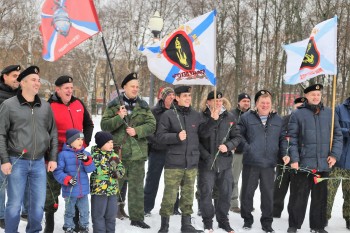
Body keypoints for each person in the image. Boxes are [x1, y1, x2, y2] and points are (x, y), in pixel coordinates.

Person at [0, 65, 58, 233]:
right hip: (16, 161)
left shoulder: (45, 107)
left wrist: (52, 158)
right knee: (14, 205)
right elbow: (1, 134)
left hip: (39, 163)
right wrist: (4, 160)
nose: (37, 83)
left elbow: (52, 133)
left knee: (38, 206)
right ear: (22, 83)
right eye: (33, 80)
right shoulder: (9, 106)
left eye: (39, 80)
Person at [156, 86, 219, 233]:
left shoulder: (196, 115)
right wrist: (176, 137)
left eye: (189, 96)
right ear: (177, 98)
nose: (188, 98)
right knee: (169, 196)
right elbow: (160, 136)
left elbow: (203, 133)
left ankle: (186, 225)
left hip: (191, 163)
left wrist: (212, 121)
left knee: (188, 195)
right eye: (185, 95)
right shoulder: (169, 115)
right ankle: (164, 226)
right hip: (174, 164)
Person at [101, 72, 156, 229]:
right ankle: (108, 215)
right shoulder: (113, 105)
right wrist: (118, 117)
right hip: (117, 154)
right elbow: (104, 126)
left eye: (137, 86)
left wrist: (137, 131)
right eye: (132, 86)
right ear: (124, 87)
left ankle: (137, 217)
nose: (135, 89)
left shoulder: (144, 106)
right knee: (113, 186)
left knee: (137, 188)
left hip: (138, 155)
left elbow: (152, 125)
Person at [286, 84, 343, 233]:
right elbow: (291, 138)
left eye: (318, 94)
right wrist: (294, 159)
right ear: (307, 97)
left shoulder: (330, 114)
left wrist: (334, 155)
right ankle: (294, 225)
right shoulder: (298, 114)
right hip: (303, 164)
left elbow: (338, 135)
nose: (316, 97)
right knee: (299, 197)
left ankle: (317, 226)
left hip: (323, 164)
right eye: (313, 94)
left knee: (320, 198)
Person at [45, 75, 94, 233]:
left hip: (75, 154)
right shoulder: (49, 106)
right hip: (56, 153)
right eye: (66, 88)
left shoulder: (78, 103)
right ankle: (50, 223)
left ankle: (77, 222)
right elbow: (44, 131)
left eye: (71, 88)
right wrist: (49, 155)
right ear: (57, 90)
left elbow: (88, 124)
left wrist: (83, 143)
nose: (70, 91)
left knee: (77, 187)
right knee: (51, 191)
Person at [239, 90, 284, 233]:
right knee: (247, 193)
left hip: (269, 163)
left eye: (268, 103)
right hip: (251, 162)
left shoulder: (278, 120)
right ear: (256, 104)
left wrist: (284, 154)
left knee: (268, 195)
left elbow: (283, 139)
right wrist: (248, 148)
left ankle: (267, 222)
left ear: (271, 104)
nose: (265, 105)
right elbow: (238, 135)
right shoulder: (246, 117)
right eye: (262, 103)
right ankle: (247, 219)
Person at [198, 91, 241, 233]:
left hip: (225, 163)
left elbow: (237, 137)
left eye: (220, 100)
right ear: (208, 102)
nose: (218, 103)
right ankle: (208, 222)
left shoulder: (230, 116)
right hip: (207, 163)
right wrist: (213, 120)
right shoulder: (201, 117)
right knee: (205, 193)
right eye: (215, 100)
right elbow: (199, 138)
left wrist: (227, 146)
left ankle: (223, 221)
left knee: (226, 193)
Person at [144, 87, 181, 216]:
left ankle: (174, 207)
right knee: (152, 180)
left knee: (173, 181)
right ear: (163, 97)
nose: (172, 97)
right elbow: (148, 131)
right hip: (157, 150)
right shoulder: (154, 111)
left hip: (173, 151)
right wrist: (157, 141)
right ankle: (146, 208)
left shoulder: (177, 111)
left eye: (173, 95)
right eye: (169, 95)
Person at [53, 129, 96, 233]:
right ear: (70, 141)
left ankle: (84, 227)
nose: (81, 141)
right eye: (77, 139)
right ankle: (68, 226)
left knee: (85, 211)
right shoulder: (63, 155)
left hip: (83, 191)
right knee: (70, 211)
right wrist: (67, 179)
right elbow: (57, 172)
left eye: (82, 139)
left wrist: (86, 160)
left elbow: (91, 169)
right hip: (70, 191)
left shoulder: (85, 153)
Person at [273, 97, 306, 218]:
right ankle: (275, 211)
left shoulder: (307, 120)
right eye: (298, 106)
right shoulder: (284, 120)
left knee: (296, 189)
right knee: (280, 186)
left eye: (302, 106)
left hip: (300, 160)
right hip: (284, 159)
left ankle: (293, 213)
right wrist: (283, 154)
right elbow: (279, 138)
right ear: (293, 107)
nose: (299, 109)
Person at [90, 131, 125, 233]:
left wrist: (117, 173)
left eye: (112, 142)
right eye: (108, 142)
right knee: (98, 215)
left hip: (112, 191)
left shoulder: (113, 156)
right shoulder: (95, 156)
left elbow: (121, 169)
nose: (111, 144)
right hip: (99, 191)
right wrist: (111, 170)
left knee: (111, 216)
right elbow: (98, 170)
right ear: (101, 144)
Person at [0, 64, 21, 229]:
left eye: (19, 76)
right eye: (14, 75)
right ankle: (1, 215)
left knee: (17, 183)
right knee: (1, 184)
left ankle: (15, 213)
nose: (17, 79)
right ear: (4, 76)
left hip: (17, 147)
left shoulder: (22, 95)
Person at [327, 95, 350, 230]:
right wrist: (347, 132)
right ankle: (324, 217)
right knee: (329, 191)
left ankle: (348, 218)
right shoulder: (339, 109)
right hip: (337, 159)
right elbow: (332, 130)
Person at [230, 92, 251, 213]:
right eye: (244, 101)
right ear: (239, 102)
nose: (246, 103)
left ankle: (246, 203)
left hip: (249, 152)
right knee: (234, 178)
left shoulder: (253, 115)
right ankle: (233, 203)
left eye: (248, 101)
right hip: (237, 152)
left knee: (248, 180)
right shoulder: (232, 114)